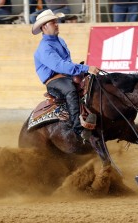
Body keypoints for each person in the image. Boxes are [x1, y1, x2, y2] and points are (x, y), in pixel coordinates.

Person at [32, 9, 100, 140]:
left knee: (93, 84)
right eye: (53, 22)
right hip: (54, 80)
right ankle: (78, 129)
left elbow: (65, 64)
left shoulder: (59, 40)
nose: (57, 24)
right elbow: (59, 65)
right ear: (44, 27)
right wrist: (85, 68)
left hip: (65, 76)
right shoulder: (44, 48)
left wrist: (82, 70)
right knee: (70, 90)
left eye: (56, 22)